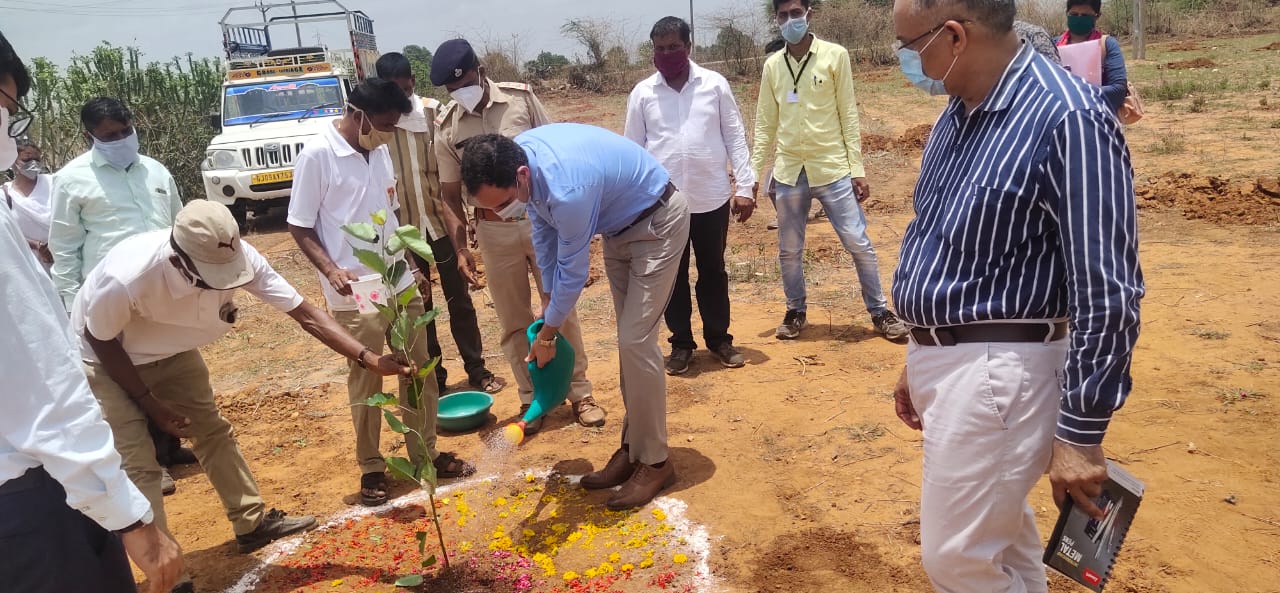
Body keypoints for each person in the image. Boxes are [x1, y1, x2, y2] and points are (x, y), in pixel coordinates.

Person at [888, 0, 1144, 591]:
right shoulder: (960, 112)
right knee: (1004, 548)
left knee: (958, 559)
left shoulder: (1068, 119)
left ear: (953, 36)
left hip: (999, 375)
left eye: (910, 44)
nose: (905, 59)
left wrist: (1080, 435)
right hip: (955, 362)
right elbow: (944, 242)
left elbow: (1108, 290)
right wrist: (922, 351)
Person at [74, 201, 423, 591]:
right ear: (179, 260)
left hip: (173, 352)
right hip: (109, 359)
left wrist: (368, 357)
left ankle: (251, 523)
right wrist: (148, 402)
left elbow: (305, 313)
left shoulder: (240, 255)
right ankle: (170, 575)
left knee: (213, 432)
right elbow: (98, 338)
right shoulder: (129, 277)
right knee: (141, 464)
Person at [1, 29, 184, 593]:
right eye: (7, 110)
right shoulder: (64, 189)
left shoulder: (156, 174)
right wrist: (129, 516)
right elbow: (41, 384)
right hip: (27, 502)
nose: (11, 131)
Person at [460, 125, 689, 510]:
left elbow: (575, 271)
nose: (501, 213)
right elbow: (545, 236)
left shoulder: (568, 190)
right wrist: (547, 299)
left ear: (521, 176)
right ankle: (633, 449)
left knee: (636, 341)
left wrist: (547, 333)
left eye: (503, 203)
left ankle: (656, 462)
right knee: (628, 343)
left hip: (657, 225)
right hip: (618, 230)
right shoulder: (523, 161)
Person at [288, 78, 475, 508]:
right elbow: (299, 225)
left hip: (398, 279)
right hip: (357, 288)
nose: (389, 133)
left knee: (419, 367)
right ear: (358, 115)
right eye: (385, 124)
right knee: (369, 374)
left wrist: (411, 263)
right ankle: (371, 466)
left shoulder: (380, 151)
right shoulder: (319, 155)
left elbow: (388, 214)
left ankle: (425, 451)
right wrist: (331, 269)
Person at [431, 38, 606, 432]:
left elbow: (554, 147)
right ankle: (533, 400)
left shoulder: (520, 100)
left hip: (541, 218)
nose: (461, 92)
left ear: (480, 70)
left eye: (465, 82)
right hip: (493, 232)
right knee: (513, 320)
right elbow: (448, 195)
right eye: (452, 89)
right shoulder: (447, 126)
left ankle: (580, 393)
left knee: (561, 309)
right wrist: (461, 249)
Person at [47, 95, 194, 496]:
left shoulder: (156, 172)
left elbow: (179, 228)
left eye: (125, 130)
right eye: (109, 136)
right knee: (126, 383)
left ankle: (171, 445)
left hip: (162, 293)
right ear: (90, 136)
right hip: (109, 302)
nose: (120, 139)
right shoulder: (71, 180)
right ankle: (152, 461)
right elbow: (64, 251)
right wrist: (72, 309)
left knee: (163, 367)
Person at [752, 0, 909, 341]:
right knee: (789, 248)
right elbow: (765, 124)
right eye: (783, 15)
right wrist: (753, 175)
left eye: (796, 13)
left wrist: (857, 169)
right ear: (776, 19)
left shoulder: (835, 56)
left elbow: (847, 115)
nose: (790, 20)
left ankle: (880, 310)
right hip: (790, 171)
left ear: (809, 13)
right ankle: (795, 311)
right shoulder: (773, 67)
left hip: (832, 167)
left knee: (857, 241)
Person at [624, 16, 754, 375]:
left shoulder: (714, 85)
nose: (666, 54)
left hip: (711, 198)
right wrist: (633, 205)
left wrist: (745, 187)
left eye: (673, 47)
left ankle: (719, 340)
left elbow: (735, 137)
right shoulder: (643, 94)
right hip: (663, 205)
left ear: (689, 47)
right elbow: (632, 151)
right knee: (672, 276)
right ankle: (681, 343)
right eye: (660, 48)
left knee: (713, 270)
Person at [374, 51, 506, 396]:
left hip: (442, 224)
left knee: (459, 298)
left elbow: (456, 172)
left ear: (412, 84)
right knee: (420, 307)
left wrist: (468, 218)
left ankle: (477, 370)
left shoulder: (436, 114)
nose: (396, 102)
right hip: (403, 232)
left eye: (401, 92)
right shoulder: (378, 124)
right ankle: (438, 378)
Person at [1056, 0, 1128, 113]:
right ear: (1067, 13)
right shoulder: (1053, 46)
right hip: (1061, 119)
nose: (1079, 18)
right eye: (1074, 14)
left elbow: (1118, 90)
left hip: (1099, 119)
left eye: (1085, 15)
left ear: (1097, 16)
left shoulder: (1107, 45)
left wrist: (1072, 93)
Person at [2, 137, 52, 268]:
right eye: (27, 159)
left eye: (37, 159)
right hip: (27, 264)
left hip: (62, 259)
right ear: (13, 161)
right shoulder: (4, 195)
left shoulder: (53, 183)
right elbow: (7, 233)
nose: (33, 163)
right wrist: (37, 246)